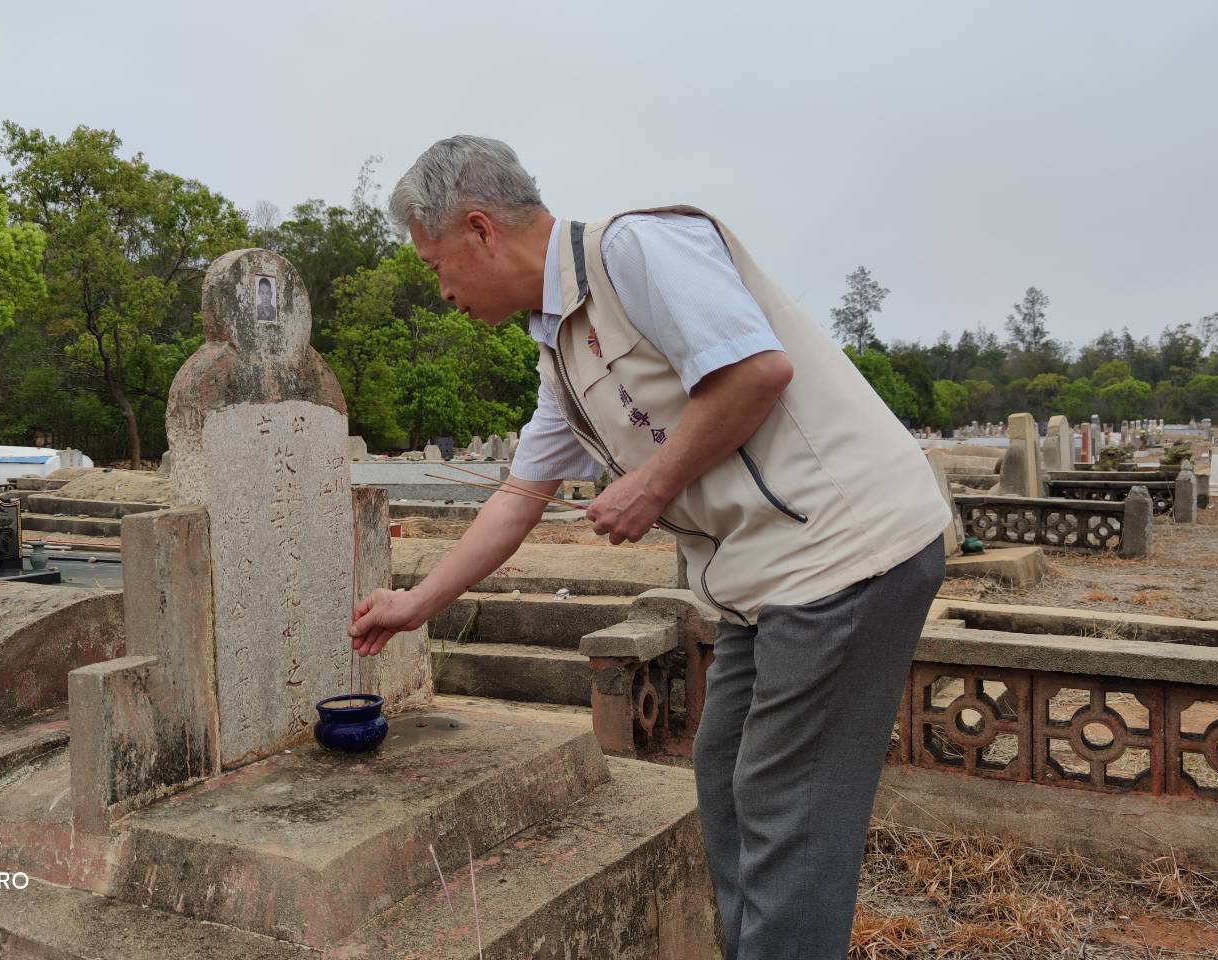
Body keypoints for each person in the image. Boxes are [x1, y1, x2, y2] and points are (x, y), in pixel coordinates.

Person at [347, 135, 950, 959]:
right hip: (760, 577)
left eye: (434, 265)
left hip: (846, 550)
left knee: (785, 803)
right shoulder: (558, 351)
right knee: (726, 775)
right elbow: (520, 496)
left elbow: (755, 372)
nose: (441, 290)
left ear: (481, 230)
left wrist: (654, 482)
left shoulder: (634, 252)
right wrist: (415, 605)